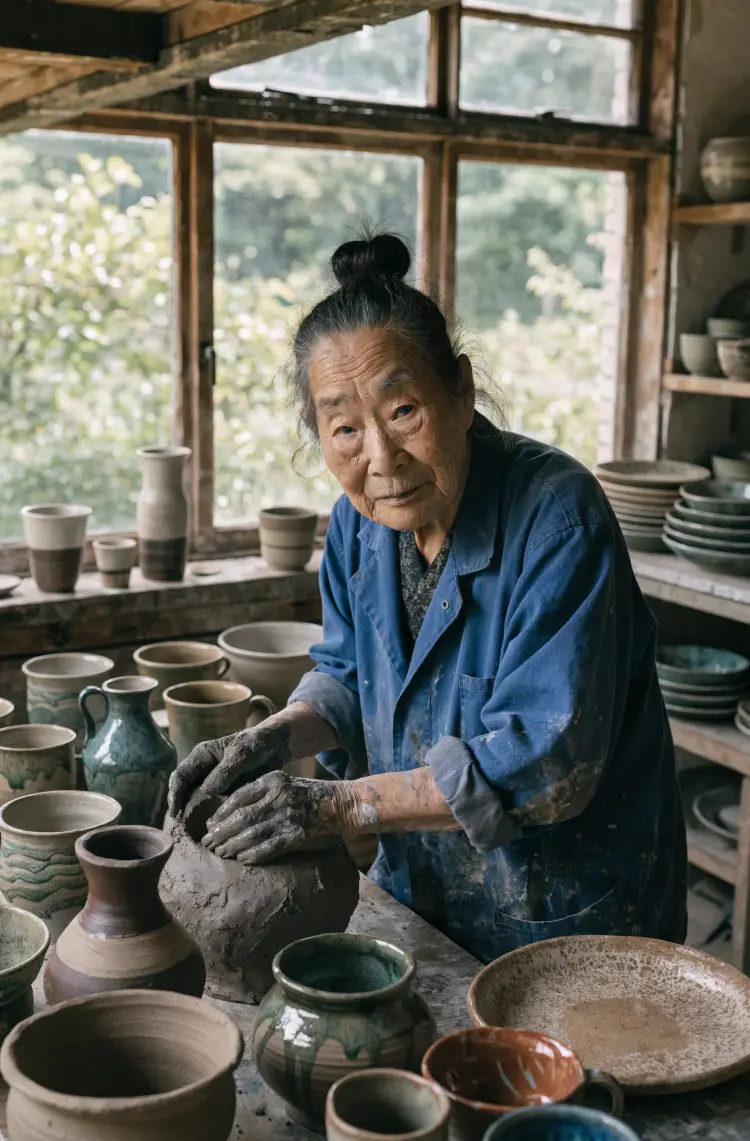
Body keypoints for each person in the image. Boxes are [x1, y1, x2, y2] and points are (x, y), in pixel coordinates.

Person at [169, 232, 687, 963]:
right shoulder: (359, 523)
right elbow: (349, 675)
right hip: (426, 895)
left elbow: (548, 762)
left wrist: (339, 803)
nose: (381, 459)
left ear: (462, 390)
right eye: (344, 428)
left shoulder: (559, 517)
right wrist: (271, 740)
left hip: (566, 914)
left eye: (403, 410)